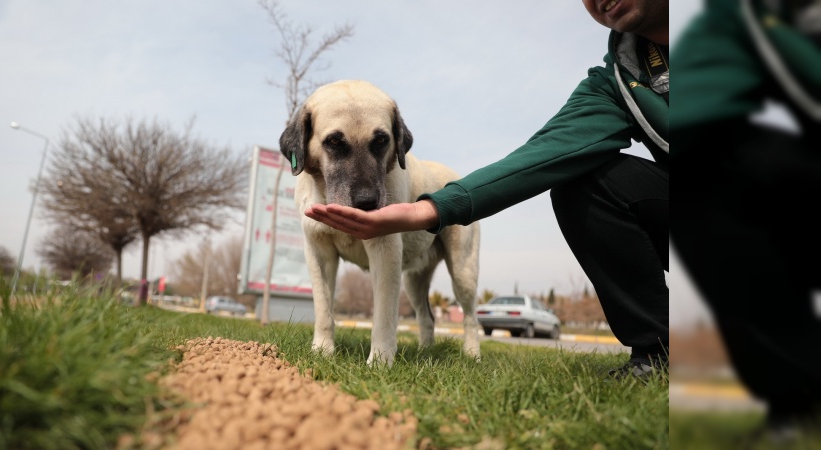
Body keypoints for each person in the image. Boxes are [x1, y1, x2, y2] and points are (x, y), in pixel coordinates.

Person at [305, 0, 670, 380]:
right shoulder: (619, 80)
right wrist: (427, 209)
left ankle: (469, 334)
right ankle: (657, 353)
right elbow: (538, 159)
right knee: (584, 181)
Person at [672, 0, 820, 440]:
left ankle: (793, 402)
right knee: (740, 273)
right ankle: (793, 405)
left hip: (723, 159)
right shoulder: (742, 13)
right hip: (715, 156)